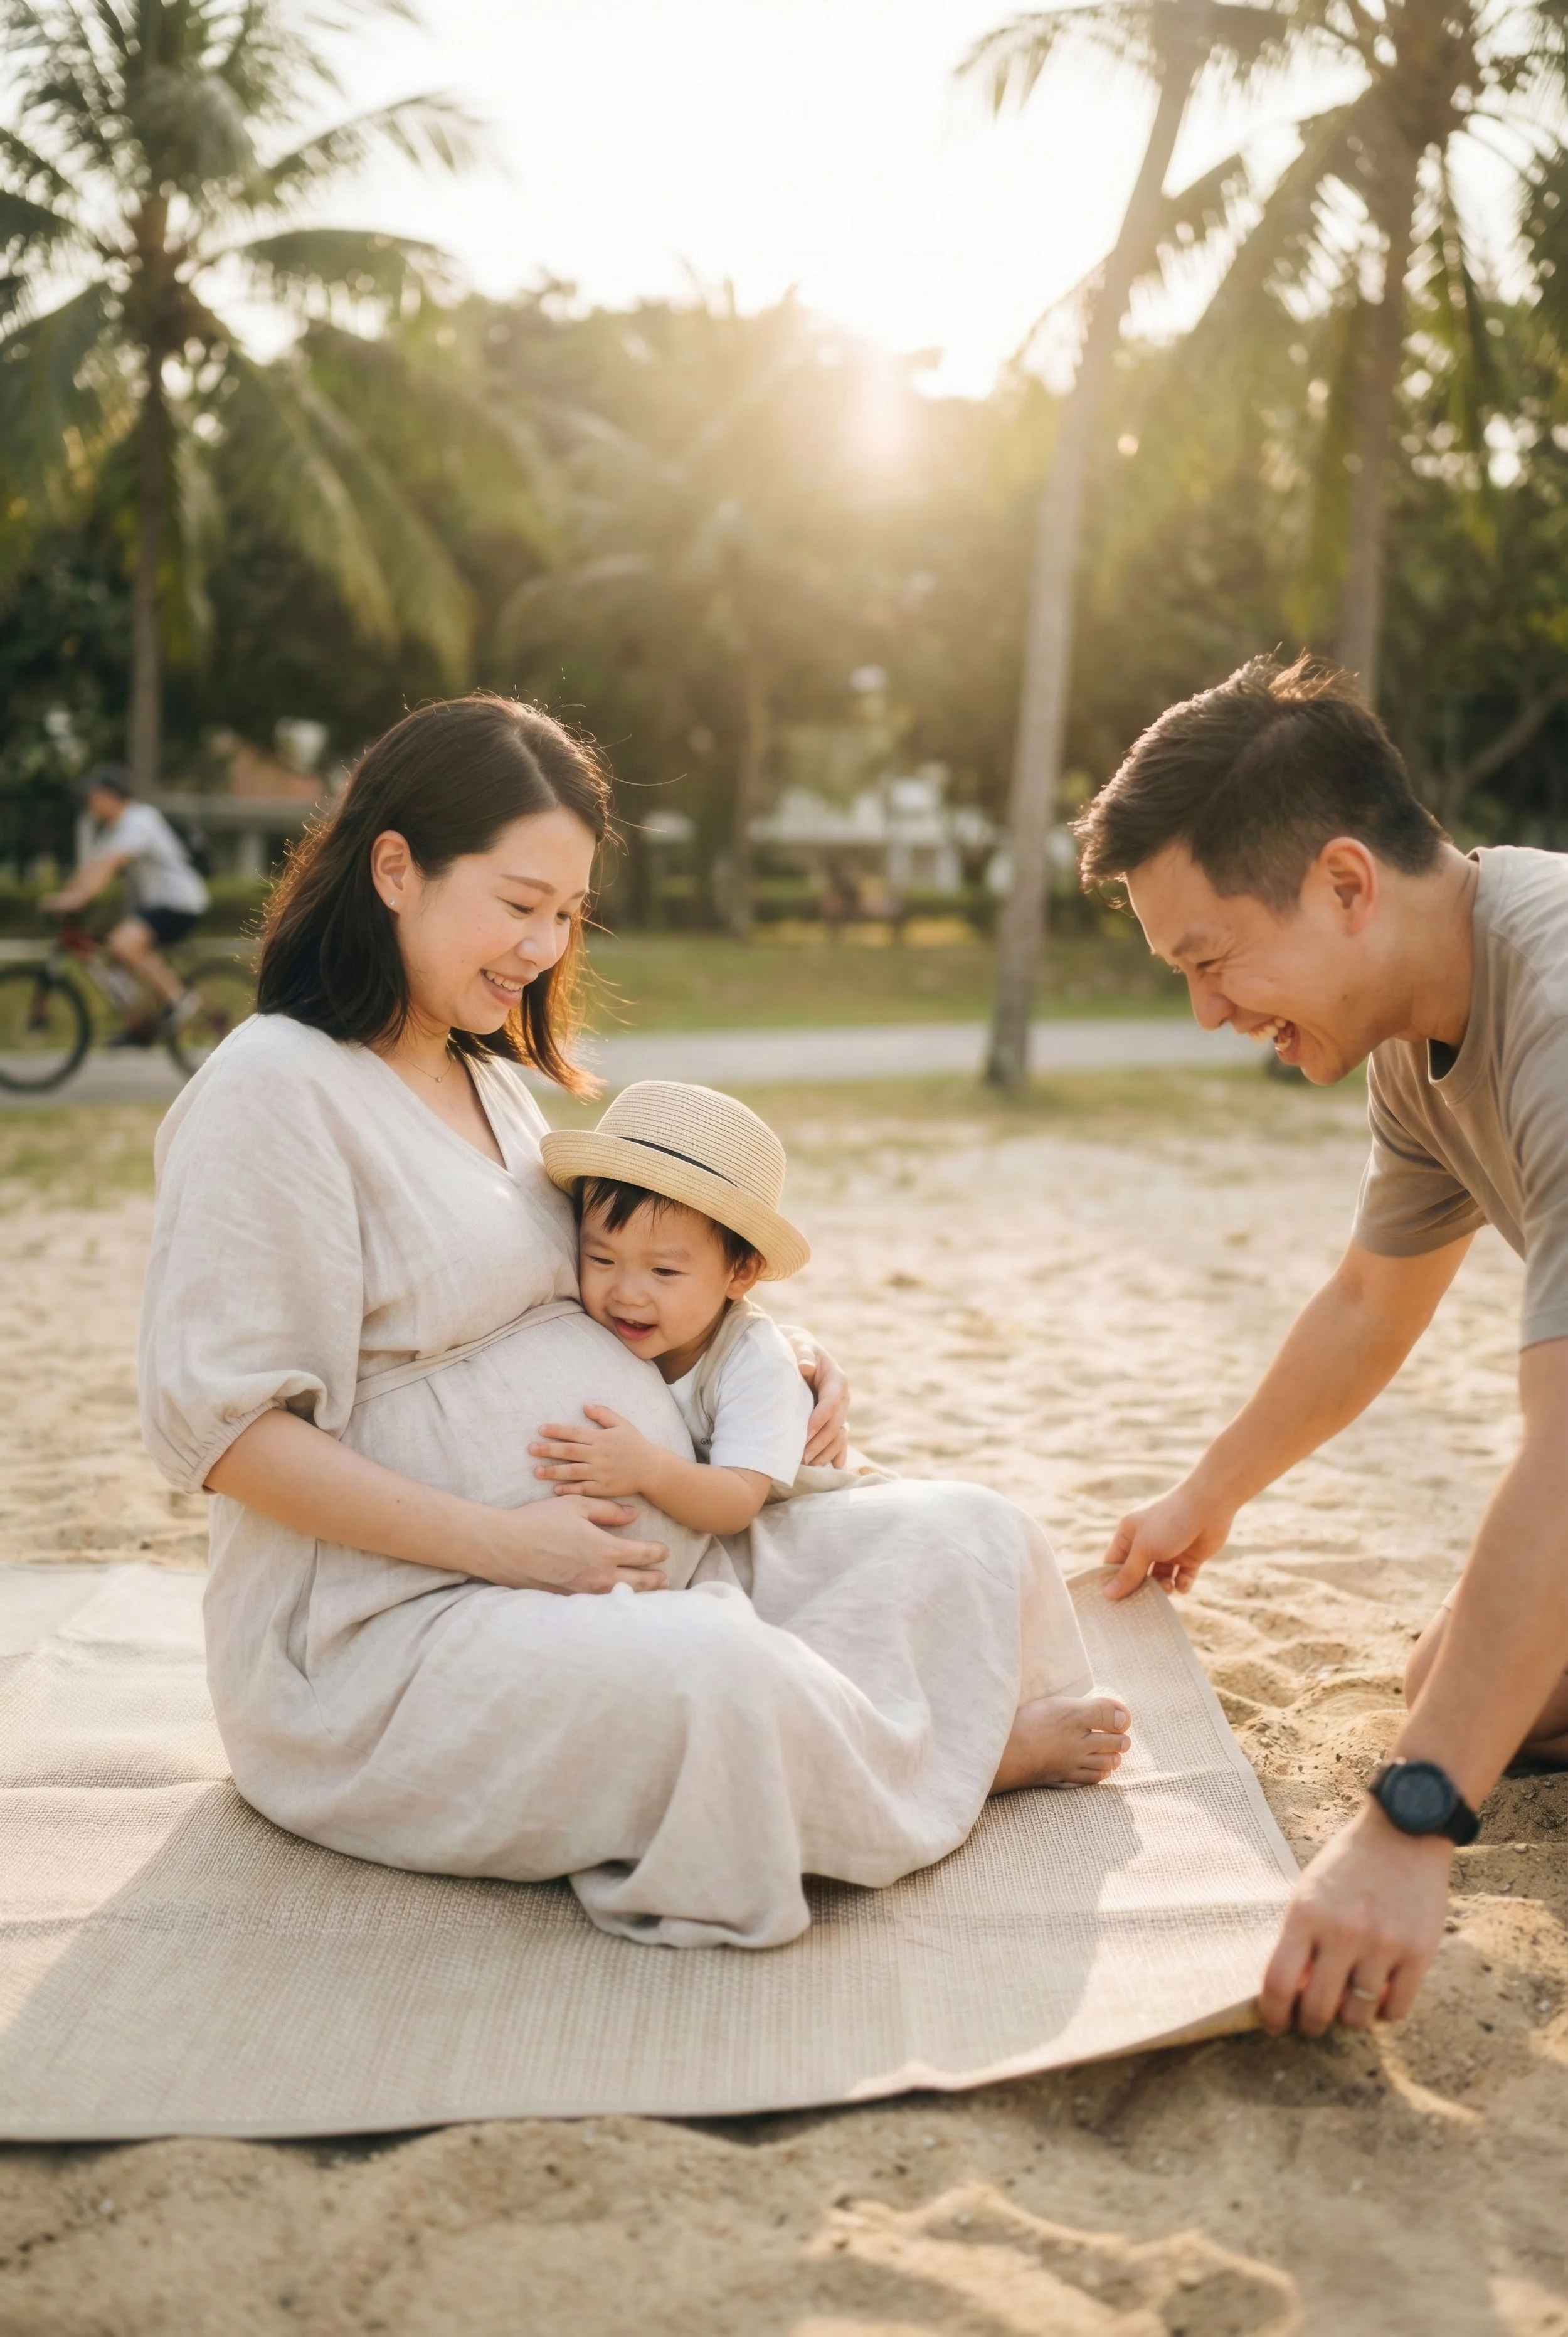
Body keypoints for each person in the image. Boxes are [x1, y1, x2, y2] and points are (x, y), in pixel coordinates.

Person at [138, 693, 1133, 1953]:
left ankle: (871, 1761)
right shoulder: (270, 1091)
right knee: (711, 1681)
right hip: (389, 1636)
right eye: (517, 903)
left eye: (566, 913)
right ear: (395, 868)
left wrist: (772, 1352)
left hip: (644, 1554)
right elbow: (226, 1439)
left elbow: (614, 1286)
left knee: (970, 1534)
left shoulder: (491, 1082)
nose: (545, 947)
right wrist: (511, 1549)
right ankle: (939, 1761)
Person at [1074, 650, 1568, 2040]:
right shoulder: (1422, 1032)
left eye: (1208, 959)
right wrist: (1205, 1494)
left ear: (1347, 885)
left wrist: (1407, 1830)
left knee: (1447, 1729)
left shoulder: (1556, 1002)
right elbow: (1367, 1302)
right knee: (1456, 1686)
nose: (1206, 1011)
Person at [531, 1081, 891, 1531]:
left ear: (740, 1273)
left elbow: (737, 1502)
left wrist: (649, 1469)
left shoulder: (757, 1364)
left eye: (663, 1272)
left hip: (825, 1515)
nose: (627, 1293)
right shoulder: (611, 1321)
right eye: (602, 1259)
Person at [43, 763, 209, 1035]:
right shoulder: (116, 828)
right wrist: (67, 895)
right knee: (114, 951)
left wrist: (76, 900)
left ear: (109, 795)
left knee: (124, 944)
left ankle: (180, 999)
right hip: (158, 904)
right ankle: (140, 1022)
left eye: (93, 796)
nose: (89, 803)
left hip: (181, 903)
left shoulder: (139, 820)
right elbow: (92, 869)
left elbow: (110, 865)